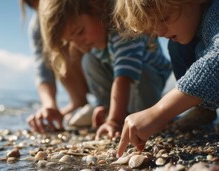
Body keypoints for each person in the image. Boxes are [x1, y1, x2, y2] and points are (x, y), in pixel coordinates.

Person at [114, 0, 219, 156]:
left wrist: (159, 112)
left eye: (164, 18)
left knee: (206, 51)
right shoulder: (203, 17)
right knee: (178, 45)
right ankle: (204, 108)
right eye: (153, 27)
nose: (160, 31)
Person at [38, 0, 171, 139]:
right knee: (88, 60)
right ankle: (107, 109)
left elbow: (124, 77)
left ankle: (131, 114)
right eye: (71, 40)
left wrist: (114, 121)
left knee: (138, 73)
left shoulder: (124, 27)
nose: (78, 43)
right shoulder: (96, 42)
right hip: (127, 86)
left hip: (149, 78)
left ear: (95, 7)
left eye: (80, 32)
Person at [20, 0, 89, 133]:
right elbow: (42, 68)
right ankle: (78, 103)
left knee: (70, 46)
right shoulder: (37, 26)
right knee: (56, 54)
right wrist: (49, 104)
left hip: (99, 67)